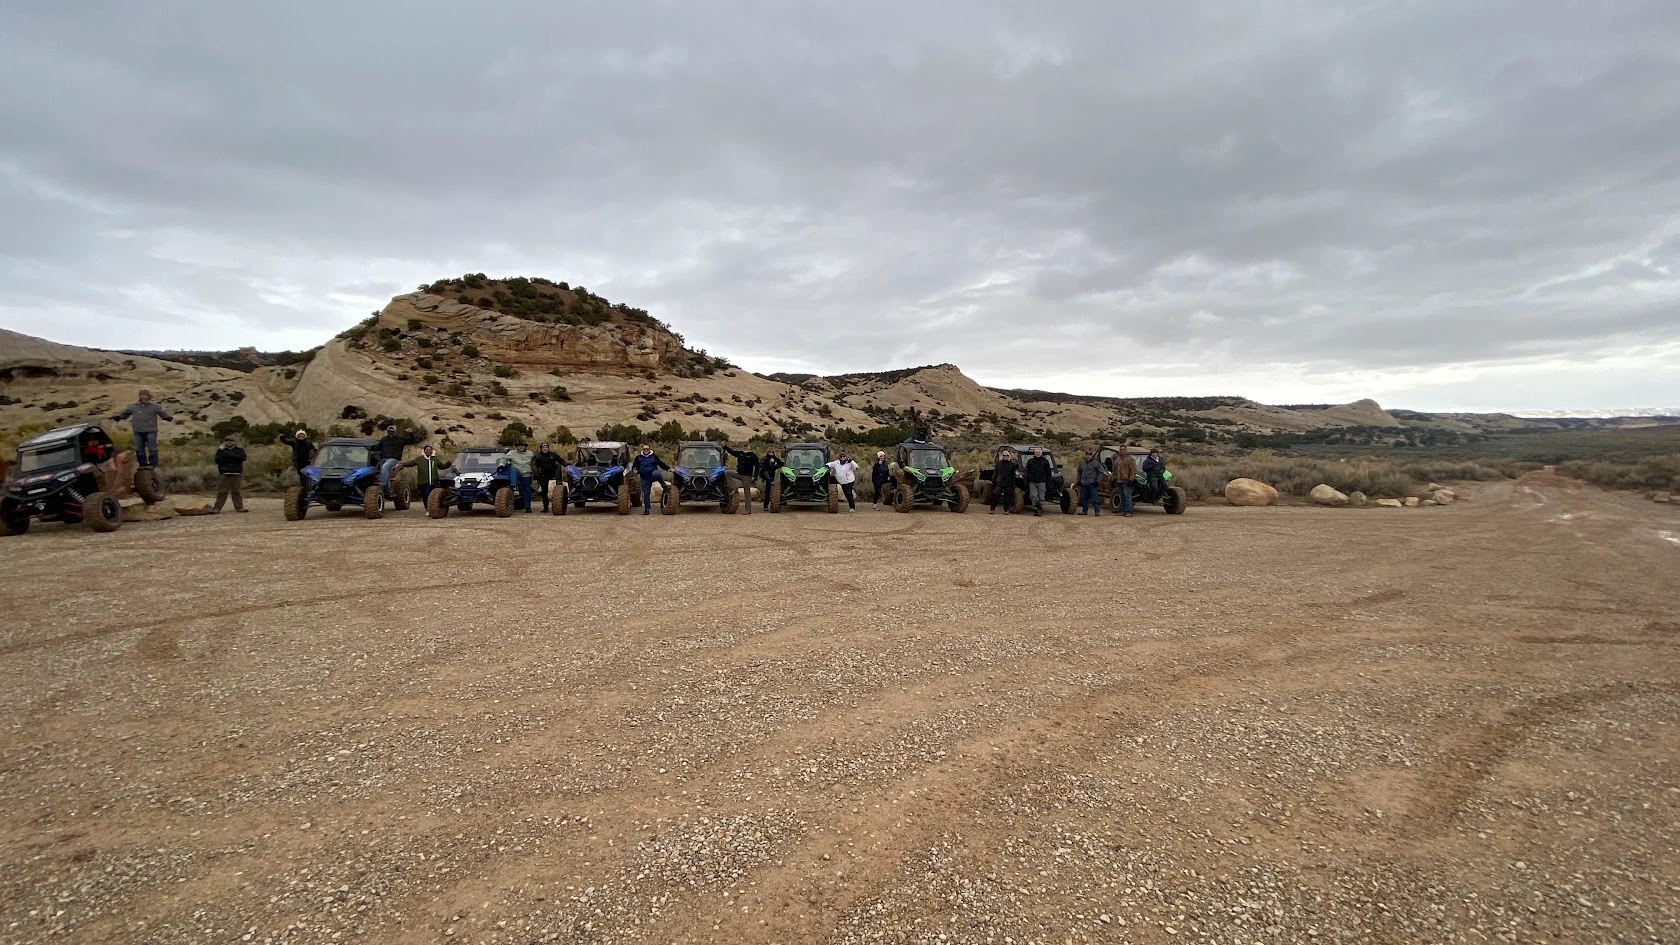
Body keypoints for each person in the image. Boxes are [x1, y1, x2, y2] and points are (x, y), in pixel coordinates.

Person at [111, 389, 173, 469]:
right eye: (143, 396)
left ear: (149, 397)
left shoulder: (155, 406)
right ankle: (142, 465)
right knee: (139, 449)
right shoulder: (133, 407)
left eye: (146, 396)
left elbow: (162, 413)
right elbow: (125, 414)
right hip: (138, 431)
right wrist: (118, 417)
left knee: (152, 449)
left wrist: (167, 417)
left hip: (151, 431)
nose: (144, 398)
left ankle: (152, 464)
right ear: (139, 397)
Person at [212, 435, 248, 513]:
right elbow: (218, 460)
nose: (229, 442)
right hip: (224, 473)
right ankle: (217, 508)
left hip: (236, 473)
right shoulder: (220, 451)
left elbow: (242, 458)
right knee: (222, 491)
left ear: (234, 442)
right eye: (227, 440)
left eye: (231, 440)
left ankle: (239, 507)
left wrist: (228, 455)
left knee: (236, 491)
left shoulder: (240, 450)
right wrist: (232, 457)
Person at [375, 425, 416, 493]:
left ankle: (381, 483)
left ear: (395, 432)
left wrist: (410, 433)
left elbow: (411, 441)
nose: (391, 433)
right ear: (387, 432)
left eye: (392, 431)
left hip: (393, 459)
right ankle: (387, 492)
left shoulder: (401, 439)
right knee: (385, 474)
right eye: (389, 431)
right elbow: (378, 447)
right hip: (383, 459)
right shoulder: (384, 439)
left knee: (385, 467)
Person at [630, 444, 669, 515]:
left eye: (647, 449)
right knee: (646, 493)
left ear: (649, 449)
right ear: (642, 450)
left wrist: (668, 469)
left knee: (657, 474)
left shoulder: (653, 457)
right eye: (644, 449)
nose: (646, 450)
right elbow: (635, 466)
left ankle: (664, 486)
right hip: (645, 477)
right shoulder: (638, 458)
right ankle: (647, 509)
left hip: (653, 474)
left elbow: (661, 464)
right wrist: (635, 470)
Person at [723, 444, 758, 515]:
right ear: (742, 447)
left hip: (747, 476)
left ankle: (748, 510)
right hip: (738, 473)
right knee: (727, 472)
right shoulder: (740, 453)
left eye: (746, 446)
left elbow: (757, 466)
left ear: (749, 447)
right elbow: (731, 452)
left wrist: (755, 476)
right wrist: (725, 446)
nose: (745, 447)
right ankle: (733, 487)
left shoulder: (753, 456)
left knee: (747, 492)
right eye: (744, 446)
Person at [501, 440, 535, 512]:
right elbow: (504, 459)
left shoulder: (530, 453)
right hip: (517, 472)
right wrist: (501, 465)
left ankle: (528, 507)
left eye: (522, 445)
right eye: (519, 446)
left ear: (525, 446)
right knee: (513, 470)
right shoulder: (512, 453)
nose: (521, 447)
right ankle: (513, 485)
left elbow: (535, 462)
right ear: (517, 446)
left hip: (527, 474)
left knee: (527, 490)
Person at [1023, 446, 1053, 517]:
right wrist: (1027, 480)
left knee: (1041, 497)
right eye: (1036, 452)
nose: (1037, 453)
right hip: (1032, 481)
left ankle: (1039, 508)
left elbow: (1048, 472)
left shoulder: (1045, 461)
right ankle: (1036, 509)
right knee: (1033, 496)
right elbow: (1026, 472)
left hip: (1042, 481)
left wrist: (1048, 482)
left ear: (1041, 452)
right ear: (1034, 453)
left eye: (1039, 452)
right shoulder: (1030, 461)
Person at [532, 443, 562, 512]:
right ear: (541, 448)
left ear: (548, 448)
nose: (545, 448)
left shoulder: (553, 455)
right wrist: (537, 476)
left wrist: (567, 465)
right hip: (543, 475)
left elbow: (561, 461)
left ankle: (559, 482)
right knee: (544, 491)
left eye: (546, 447)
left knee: (558, 465)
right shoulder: (538, 456)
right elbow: (534, 466)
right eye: (543, 447)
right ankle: (545, 506)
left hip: (553, 474)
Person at [1075, 448, 1105, 516]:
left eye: (1089, 455)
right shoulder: (1082, 463)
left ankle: (1097, 511)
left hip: (1092, 484)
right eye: (1087, 455)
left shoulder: (1096, 463)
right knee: (1083, 498)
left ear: (1092, 456)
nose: (1088, 456)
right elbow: (1079, 472)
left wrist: (1097, 481)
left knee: (1095, 498)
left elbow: (1101, 472)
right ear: (1085, 455)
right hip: (1084, 483)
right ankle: (1084, 510)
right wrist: (1078, 480)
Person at [988, 449, 1019, 514]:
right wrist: (993, 480)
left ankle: (1006, 510)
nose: (1005, 456)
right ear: (1002, 456)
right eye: (1004, 455)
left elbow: (1013, 475)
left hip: (1008, 482)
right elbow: (995, 472)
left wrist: (1014, 483)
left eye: (1007, 455)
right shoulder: (999, 464)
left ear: (1009, 456)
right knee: (996, 495)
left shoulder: (1012, 465)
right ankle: (992, 508)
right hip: (999, 482)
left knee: (1007, 497)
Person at [1112, 448, 1138, 517]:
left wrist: (1131, 479)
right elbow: (1114, 470)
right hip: (1119, 480)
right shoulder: (1117, 460)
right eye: (1121, 450)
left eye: (1123, 450)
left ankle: (1128, 511)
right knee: (1122, 496)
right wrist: (1114, 478)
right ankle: (1123, 511)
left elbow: (1133, 470)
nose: (1122, 451)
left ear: (1126, 450)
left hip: (1126, 480)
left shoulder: (1130, 459)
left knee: (1127, 496)